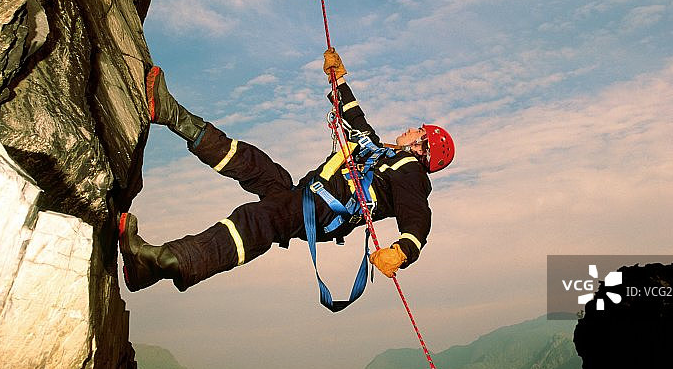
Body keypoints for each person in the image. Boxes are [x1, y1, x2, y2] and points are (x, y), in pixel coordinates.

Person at [119, 49, 455, 299]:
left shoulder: (410, 172)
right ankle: (170, 113)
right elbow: (355, 120)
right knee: (258, 167)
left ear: (422, 149)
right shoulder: (379, 152)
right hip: (310, 199)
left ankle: (161, 261)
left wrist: (402, 251)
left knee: (258, 221)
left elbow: (418, 219)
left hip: (321, 210)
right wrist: (338, 79)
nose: (412, 129)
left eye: (418, 132)